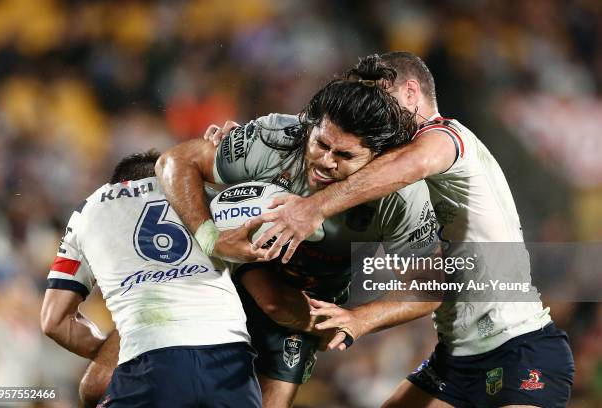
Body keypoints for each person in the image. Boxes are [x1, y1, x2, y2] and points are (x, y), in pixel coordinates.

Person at [209, 52, 575, 407]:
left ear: (412, 92)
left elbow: (412, 163)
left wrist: (312, 209)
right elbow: (331, 139)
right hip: (454, 357)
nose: (372, 111)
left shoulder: (446, 137)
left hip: (517, 343)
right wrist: (252, 143)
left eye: (379, 99)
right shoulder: (383, 160)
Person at [155, 55, 442, 407]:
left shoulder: (400, 193)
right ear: (310, 128)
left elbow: (432, 286)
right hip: (229, 267)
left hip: (307, 298)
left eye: (345, 155)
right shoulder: (275, 138)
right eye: (321, 144)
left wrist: (359, 319)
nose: (326, 160)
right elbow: (176, 161)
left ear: (376, 158)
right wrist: (210, 236)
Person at [40, 151, 262, 408]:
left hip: (149, 362)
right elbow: (269, 299)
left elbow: (54, 322)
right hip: (231, 364)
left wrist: (111, 353)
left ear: (118, 182)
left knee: (91, 389)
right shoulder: (212, 199)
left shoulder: (88, 211)